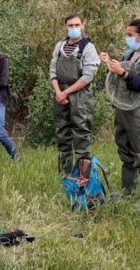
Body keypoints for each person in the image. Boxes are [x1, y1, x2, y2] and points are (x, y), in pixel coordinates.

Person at [101, 19, 140, 208]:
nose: (127, 38)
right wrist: (110, 65)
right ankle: (127, 191)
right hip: (123, 108)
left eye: (130, 35)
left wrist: (122, 72)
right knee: (125, 149)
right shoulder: (129, 54)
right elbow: (120, 80)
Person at [49, 13, 100, 175]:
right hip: (60, 94)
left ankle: (83, 177)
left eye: (77, 25)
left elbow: (88, 76)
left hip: (80, 95)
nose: (73, 28)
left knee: (81, 133)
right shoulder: (59, 46)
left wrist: (66, 93)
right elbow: (52, 71)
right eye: (70, 25)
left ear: (83, 25)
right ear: (65, 26)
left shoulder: (88, 48)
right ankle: (65, 174)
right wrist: (59, 93)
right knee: (62, 133)